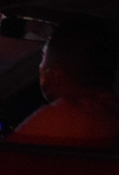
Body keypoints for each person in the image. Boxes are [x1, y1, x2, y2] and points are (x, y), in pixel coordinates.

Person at [8, 17, 119, 149]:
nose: (39, 67)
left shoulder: (65, 117)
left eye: (43, 57)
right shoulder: (110, 110)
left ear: (53, 75)